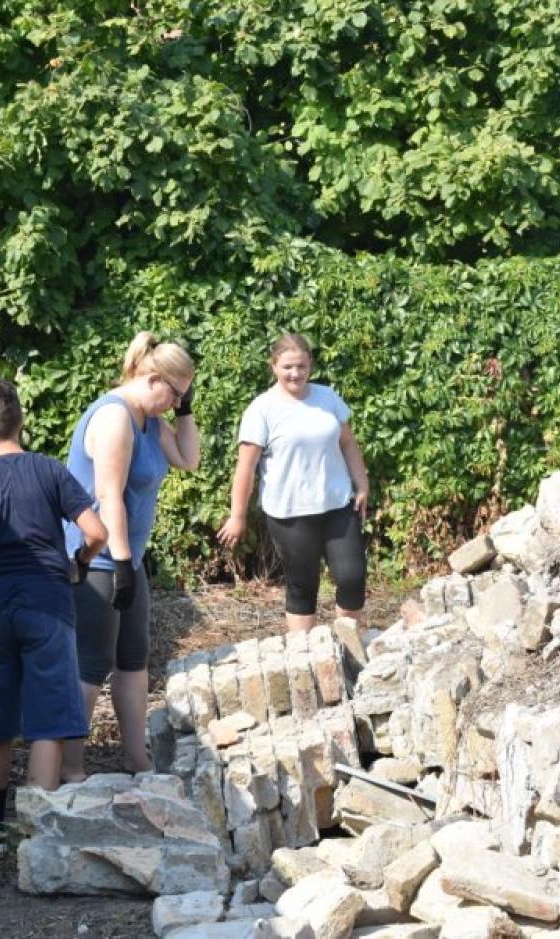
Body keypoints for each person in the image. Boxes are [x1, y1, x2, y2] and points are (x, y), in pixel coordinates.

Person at [0, 378, 107, 853]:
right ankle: (36, 832)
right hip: (49, 604)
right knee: (49, 716)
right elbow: (96, 533)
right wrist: (79, 562)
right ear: (21, 423)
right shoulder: (50, 470)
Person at [62, 332, 200, 780]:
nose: (174, 403)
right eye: (175, 394)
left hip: (127, 557)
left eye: (182, 397)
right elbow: (108, 496)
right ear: (153, 378)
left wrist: (186, 410)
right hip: (96, 557)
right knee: (91, 662)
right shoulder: (115, 418)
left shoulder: (151, 421)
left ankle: (136, 758)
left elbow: (189, 459)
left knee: (133, 657)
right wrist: (120, 563)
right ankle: (70, 767)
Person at [217, 333, 370, 632]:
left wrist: (362, 484)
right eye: (287, 367)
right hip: (289, 513)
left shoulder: (327, 398)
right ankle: (307, 652)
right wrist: (237, 516)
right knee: (302, 586)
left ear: (310, 364)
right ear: (273, 366)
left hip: (337, 503)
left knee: (352, 578)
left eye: (301, 366)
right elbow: (245, 468)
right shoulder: (262, 409)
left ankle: (349, 646)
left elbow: (348, 443)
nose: (295, 373)